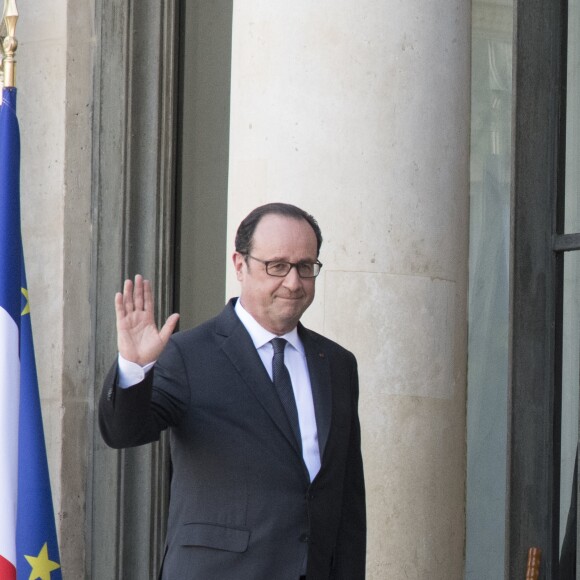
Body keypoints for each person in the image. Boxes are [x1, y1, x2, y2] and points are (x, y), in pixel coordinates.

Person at [99, 202, 366, 580]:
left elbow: (347, 500)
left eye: (306, 267)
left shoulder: (337, 364)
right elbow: (123, 432)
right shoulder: (187, 354)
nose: (293, 282)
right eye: (277, 266)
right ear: (239, 265)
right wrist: (134, 367)